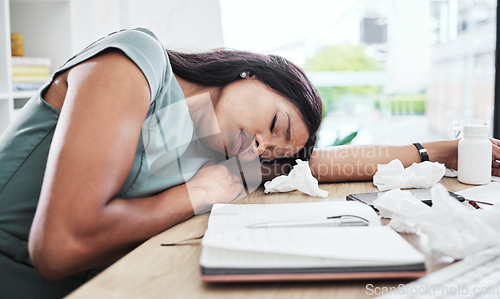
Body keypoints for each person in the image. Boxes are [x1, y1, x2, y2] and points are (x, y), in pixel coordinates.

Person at [0, 27, 498, 298]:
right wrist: (195, 195)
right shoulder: (134, 61)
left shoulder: (220, 146)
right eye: (275, 128)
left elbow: (328, 163)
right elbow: (60, 248)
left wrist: (440, 151)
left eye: (274, 153)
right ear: (252, 74)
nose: (261, 149)